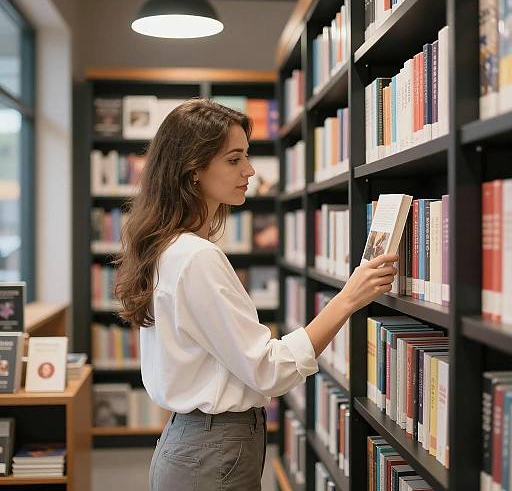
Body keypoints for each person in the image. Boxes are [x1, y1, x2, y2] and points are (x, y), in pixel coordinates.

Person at [115, 99, 397, 491]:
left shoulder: (169, 247)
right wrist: (348, 298)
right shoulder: (196, 257)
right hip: (211, 452)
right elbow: (268, 369)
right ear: (192, 171)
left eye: (246, 157)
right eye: (234, 160)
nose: (249, 171)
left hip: (196, 444)